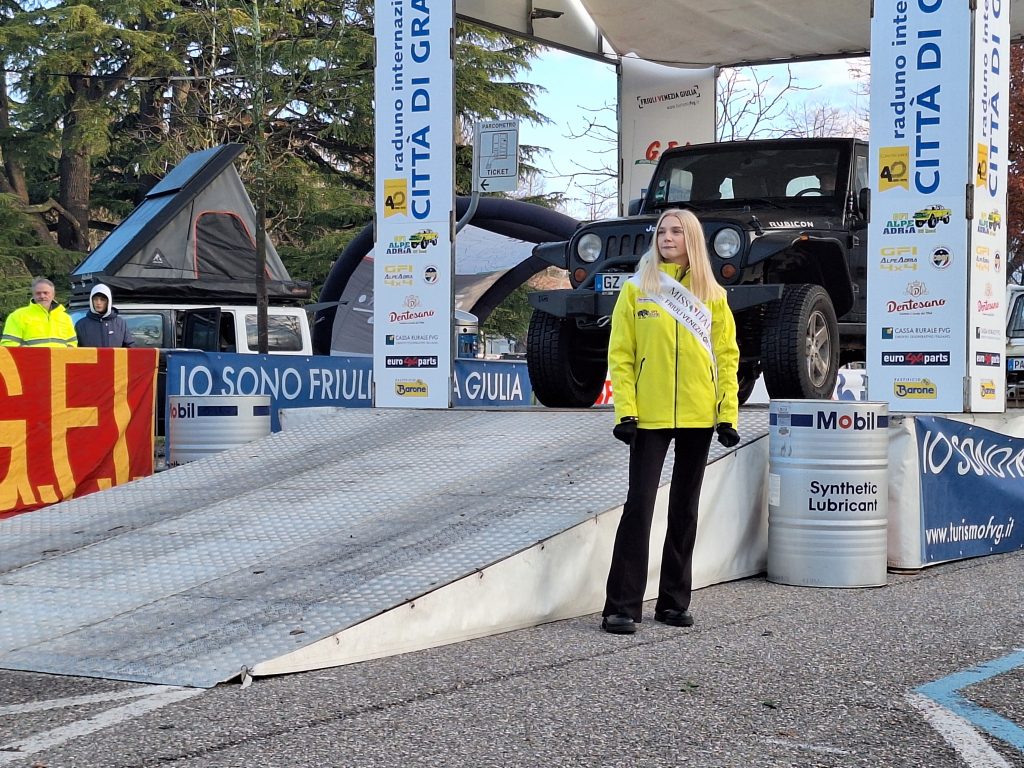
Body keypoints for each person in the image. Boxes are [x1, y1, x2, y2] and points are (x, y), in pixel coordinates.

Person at [601, 208, 740, 635]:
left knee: (685, 509)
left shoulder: (713, 295)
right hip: (649, 415)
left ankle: (673, 602)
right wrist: (625, 410)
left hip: (699, 413)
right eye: (662, 230)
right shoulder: (637, 289)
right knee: (639, 506)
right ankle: (621, 606)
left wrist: (727, 414)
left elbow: (727, 357)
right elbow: (621, 355)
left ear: (692, 239)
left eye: (677, 231)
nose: (667, 236)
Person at [1, 277, 78, 348]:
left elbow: (72, 342)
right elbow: (9, 344)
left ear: (53, 295)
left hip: (58, 362)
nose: (42, 296)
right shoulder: (18, 315)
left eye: (46, 293)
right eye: (38, 293)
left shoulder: (65, 317)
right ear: (33, 295)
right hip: (30, 362)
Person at [74, 284, 135, 348]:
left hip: (115, 358)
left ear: (108, 301)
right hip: (90, 358)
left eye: (102, 299)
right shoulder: (81, 325)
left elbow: (130, 348)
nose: (98, 303)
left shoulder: (120, 323)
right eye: (95, 299)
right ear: (91, 301)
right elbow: (76, 352)